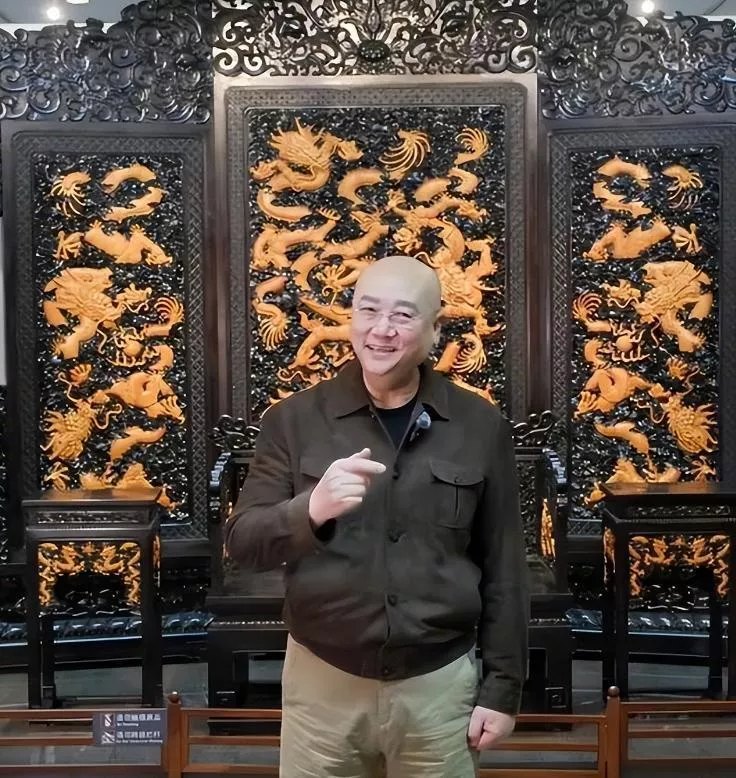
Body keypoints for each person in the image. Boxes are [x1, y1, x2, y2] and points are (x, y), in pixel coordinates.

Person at [225, 255, 529, 778]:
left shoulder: (480, 426)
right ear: (351, 318)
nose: (382, 330)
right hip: (323, 684)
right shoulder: (293, 421)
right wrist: (311, 510)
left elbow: (505, 566)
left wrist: (503, 689)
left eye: (403, 315)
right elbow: (243, 543)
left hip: (438, 685)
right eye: (368, 311)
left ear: (435, 329)